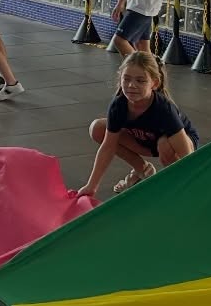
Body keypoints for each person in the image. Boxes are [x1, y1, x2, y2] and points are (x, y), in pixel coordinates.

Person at [76, 51, 198, 198]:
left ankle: (175, 184)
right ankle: (142, 170)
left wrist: (192, 186)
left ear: (154, 83)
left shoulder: (163, 108)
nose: (131, 85)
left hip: (177, 143)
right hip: (146, 140)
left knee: (164, 144)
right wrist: (92, 186)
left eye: (140, 81)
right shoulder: (119, 105)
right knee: (98, 128)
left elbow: (187, 153)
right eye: (126, 79)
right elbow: (108, 147)